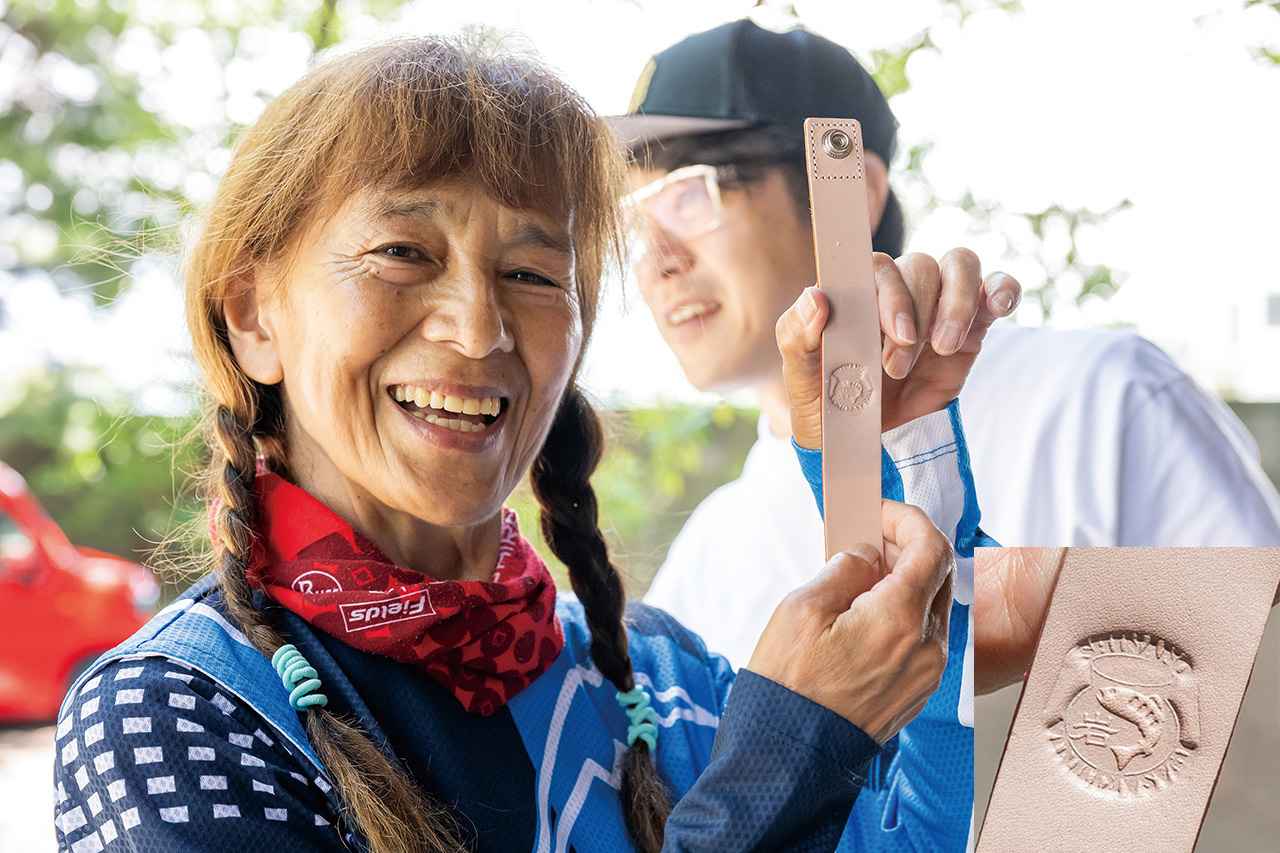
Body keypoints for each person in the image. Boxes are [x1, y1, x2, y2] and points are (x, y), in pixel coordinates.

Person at [51, 36, 996, 853]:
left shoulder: (657, 681)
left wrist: (897, 462)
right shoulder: (173, 713)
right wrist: (785, 750)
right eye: (403, 253)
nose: (477, 327)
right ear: (254, 315)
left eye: (533, 271)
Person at [617, 14, 1280, 700]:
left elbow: (1255, 692)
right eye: (635, 223)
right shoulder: (705, 561)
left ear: (847, 191)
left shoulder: (1097, 401)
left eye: (688, 194)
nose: (657, 260)